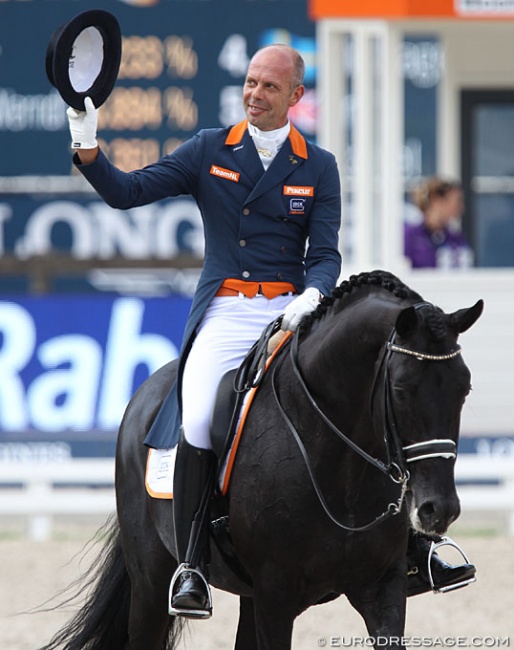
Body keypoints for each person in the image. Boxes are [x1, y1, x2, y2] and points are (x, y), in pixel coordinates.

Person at [66, 45, 474, 619]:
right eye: (250, 83)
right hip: (228, 311)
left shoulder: (318, 164)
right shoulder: (211, 149)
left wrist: (312, 294)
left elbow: (325, 252)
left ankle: (414, 547)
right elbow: (126, 191)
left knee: (368, 398)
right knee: (201, 413)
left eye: (268, 87)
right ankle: (189, 563)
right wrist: (87, 142)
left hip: (293, 308)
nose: (254, 94)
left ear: (295, 97)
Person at [404, 177, 474, 269]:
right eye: (457, 201)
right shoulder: (410, 236)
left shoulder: (456, 238)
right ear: (437, 200)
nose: (461, 208)